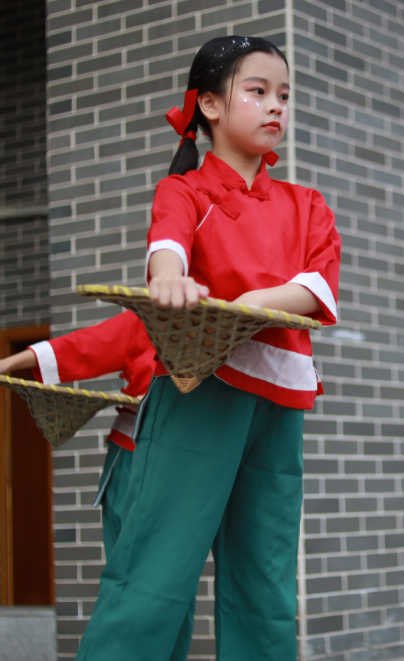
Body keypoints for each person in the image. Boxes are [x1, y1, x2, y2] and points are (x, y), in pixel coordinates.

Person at [75, 36, 341, 661]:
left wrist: (242, 305)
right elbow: (166, 245)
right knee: (156, 567)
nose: (276, 106)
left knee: (266, 580)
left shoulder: (307, 204)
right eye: (258, 91)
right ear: (211, 106)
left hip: (281, 404)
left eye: (283, 95)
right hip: (199, 389)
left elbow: (317, 285)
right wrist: (168, 277)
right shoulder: (185, 191)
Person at [0, 312, 196, 661]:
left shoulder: (226, 317)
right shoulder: (145, 320)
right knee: (129, 581)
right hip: (134, 458)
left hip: (190, 466)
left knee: (176, 586)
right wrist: (9, 363)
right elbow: (83, 346)